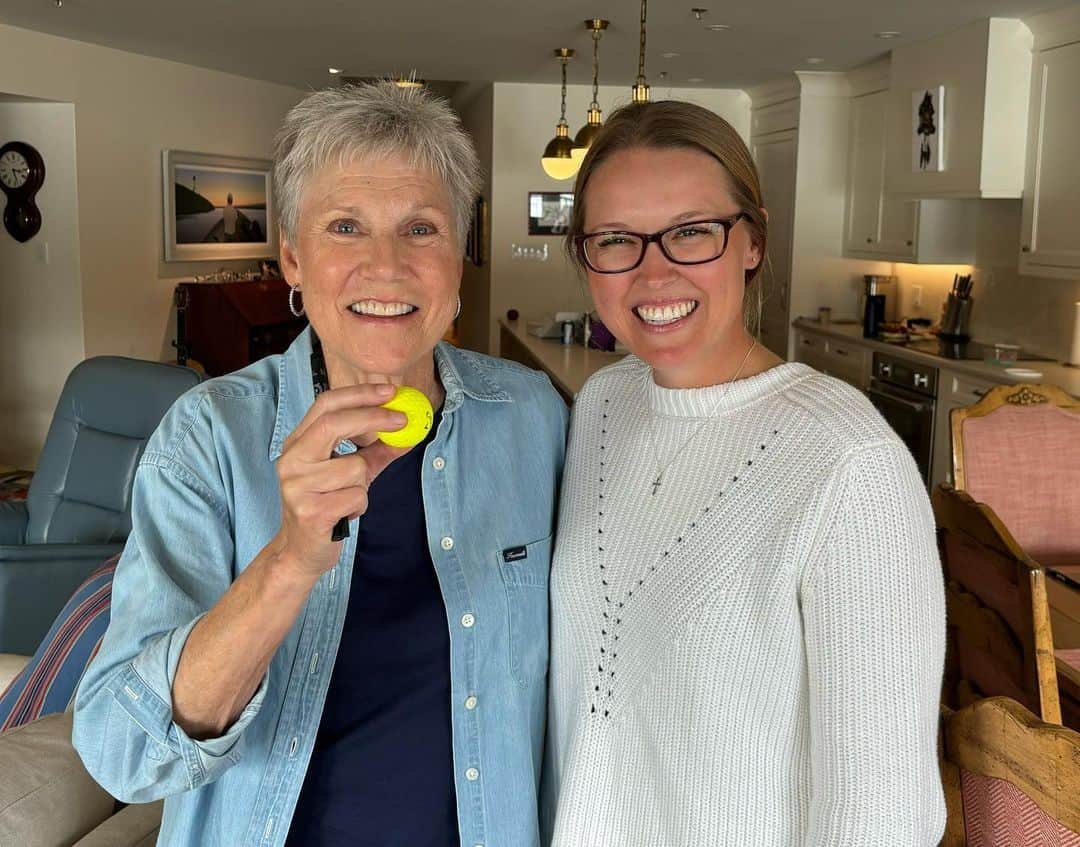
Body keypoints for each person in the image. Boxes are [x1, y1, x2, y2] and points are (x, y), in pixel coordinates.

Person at [73, 82, 567, 847]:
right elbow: (124, 755)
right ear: (294, 260)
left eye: (421, 228)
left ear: (457, 261)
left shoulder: (534, 418)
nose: (386, 265)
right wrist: (291, 558)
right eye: (346, 227)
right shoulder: (209, 436)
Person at [543, 100, 946, 846]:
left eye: (692, 231)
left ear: (751, 241)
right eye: (617, 239)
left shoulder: (849, 463)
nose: (652, 271)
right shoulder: (602, 404)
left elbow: (884, 812)